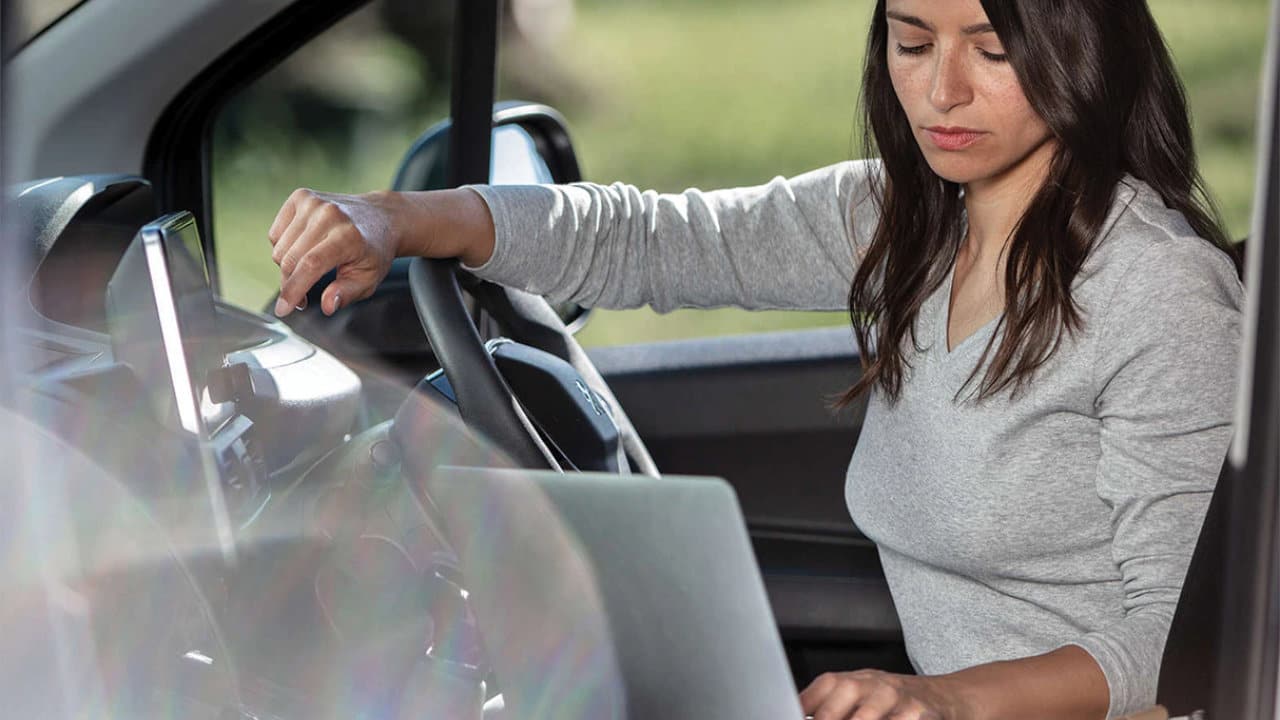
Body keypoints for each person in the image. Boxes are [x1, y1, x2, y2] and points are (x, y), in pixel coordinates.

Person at [264, 0, 1244, 717]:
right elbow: (652, 240)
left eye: (990, 51)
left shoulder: (1154, 294)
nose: (938, 89)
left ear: (1080, 51)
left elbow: (1181, 648)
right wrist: (394, 217)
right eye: (910, 41)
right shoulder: (906, 223)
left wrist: (940, 700)